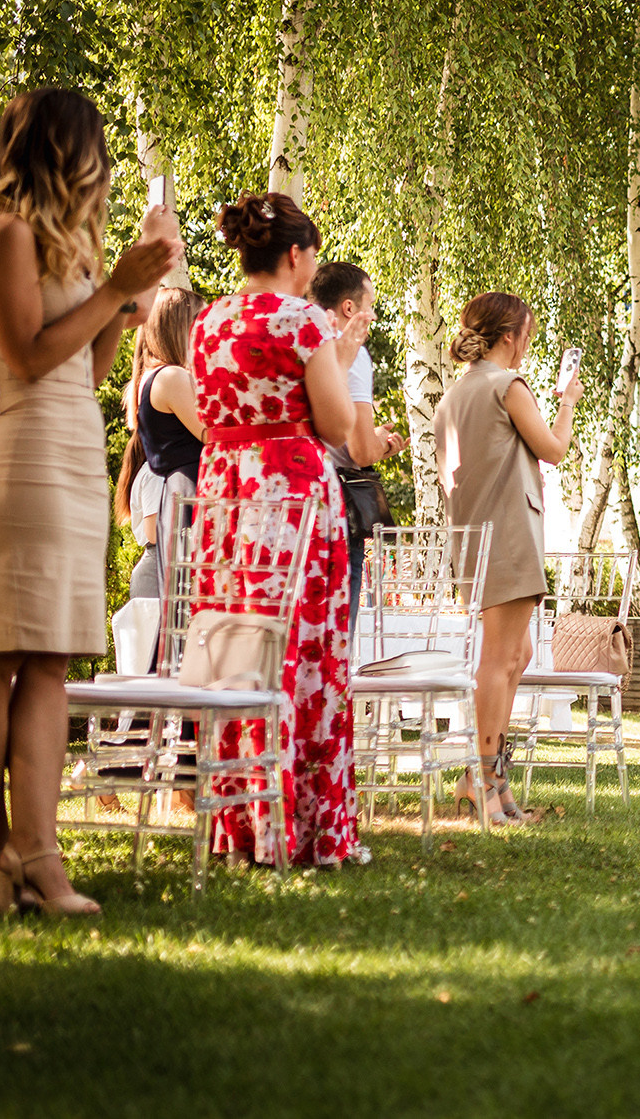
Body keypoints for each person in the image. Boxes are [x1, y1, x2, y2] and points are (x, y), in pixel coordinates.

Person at [0, 87, 178, 916]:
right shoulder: (3, 235)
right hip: (25, 452)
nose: (106, 168)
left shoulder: (73, 247)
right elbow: (24, 354)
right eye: (97, 151)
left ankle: (42, 858)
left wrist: (130, 299)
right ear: (66, 151)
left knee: (50, 660)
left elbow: (87, 369)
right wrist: (113, 286)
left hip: (77, 447)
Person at [191, 192, 362, 868]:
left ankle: (239, 824)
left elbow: (209, 413)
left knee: (235, 649)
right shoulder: (303, 320)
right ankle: (303, 825)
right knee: (301, 653)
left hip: (224, 495)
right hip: (288, 493)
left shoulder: (208, 320)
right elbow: (338, 424)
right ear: (295, 255)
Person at [433, 291, 579, 825]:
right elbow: (554, 449)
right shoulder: (506, 386)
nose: (527, 347)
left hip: (473, 539)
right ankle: (484, 780)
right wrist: (566, 401)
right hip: (509, 535)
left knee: (514, 656)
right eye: (527, 336)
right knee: (500, 661)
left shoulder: (451, 397)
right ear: (511, 334)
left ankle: (485, 779)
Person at [308, 261, 406, 629]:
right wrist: (384, 444)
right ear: (349, 309)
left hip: (284, 497)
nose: (374, 314)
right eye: (370, 304)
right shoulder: (352, 353)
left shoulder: (299, 339)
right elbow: (361, 451)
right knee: (334, 637)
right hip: (335, 509)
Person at [121, 286, 205, 599]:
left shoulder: (153, 377)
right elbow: (212, 432)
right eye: (199, 323)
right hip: (187, 500)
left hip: (179, 500)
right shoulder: (170, 377)